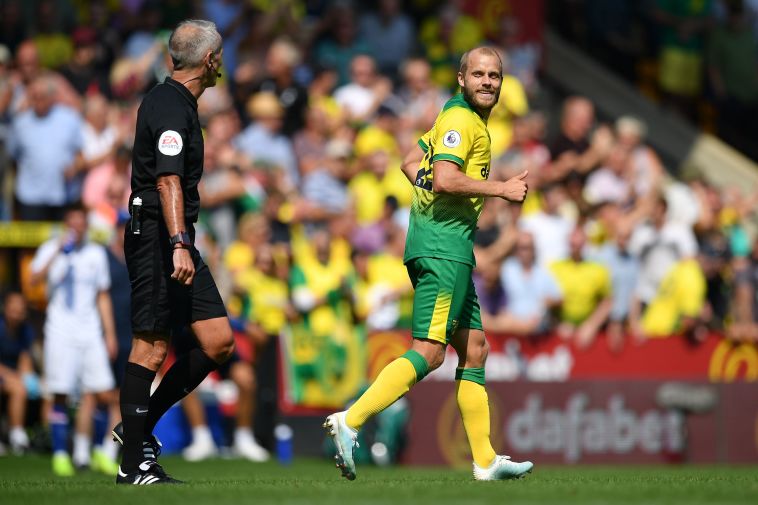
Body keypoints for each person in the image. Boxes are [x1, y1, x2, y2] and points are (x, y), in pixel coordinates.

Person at [324, 47, 533, 481]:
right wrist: (500, 190)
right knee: (430, 352)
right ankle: (352, 420)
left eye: (494, 75)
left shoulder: (452, 116)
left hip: (445, 245)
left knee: (475, 347)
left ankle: (485, 461)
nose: (487, 82)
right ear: (461, 78)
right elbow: (443, 178)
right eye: (478, 74)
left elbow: (408, 164)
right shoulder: (460, 120)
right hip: (443, 249)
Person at [111, 20, 234, 485]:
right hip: (159, 237)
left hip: (175, 236)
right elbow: (167, 180)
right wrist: (180, 242)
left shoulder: (180, 104)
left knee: (218, 340)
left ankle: (137, 429)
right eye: (220, 55)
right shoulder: (168, 106)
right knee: (151, 345)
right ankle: (133, 467)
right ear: (210, 61)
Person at [29, 203, 119, 477]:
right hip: (60, 332)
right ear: (66, 224)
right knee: (61, 393)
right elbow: (33, 279)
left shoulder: (95, 254)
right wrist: (58, 250)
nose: (77, 228)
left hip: (90, 331)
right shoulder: (51, 249)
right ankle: (60, 454)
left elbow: (102, 295)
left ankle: (98, 452)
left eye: (82, 223)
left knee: (103, 392)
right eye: (73, 222)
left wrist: (110, 334)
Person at [0, 291, 35, 455]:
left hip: (13, 377)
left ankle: (41, 435)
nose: (17, 311)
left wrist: (29, 377)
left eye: (21, 308)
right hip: (6, 376)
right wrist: (12, 376)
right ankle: (17, 437)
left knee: (46, 390)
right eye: (14, 307)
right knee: (18, 388)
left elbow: (25, 358)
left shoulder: (26, 330)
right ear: (5, 307)